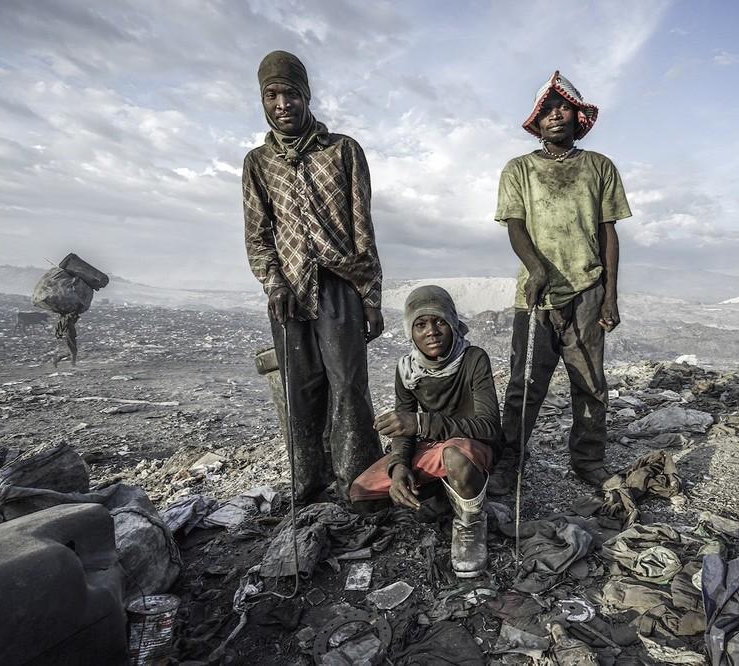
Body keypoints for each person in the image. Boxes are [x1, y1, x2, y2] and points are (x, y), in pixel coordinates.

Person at [243, 50, 383, 501]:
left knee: (348, 386)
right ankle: (309, 482)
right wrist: (273, 281)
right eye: (272, 95)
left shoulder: (343, 150)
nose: (282, 103)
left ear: (306, 96)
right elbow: (257, 232)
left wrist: (371, 295)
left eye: (290, 93)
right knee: (300, 390)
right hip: (288, 293)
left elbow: (363, 226)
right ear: (263, 101)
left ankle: (358, 482)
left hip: (340, 283)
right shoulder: (258, 162)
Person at [489, 70, 632, 496]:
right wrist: (536, 269)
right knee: (525, 384)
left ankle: (588, 460)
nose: (555, 116)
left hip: (587, 290)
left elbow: (609, 232)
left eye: (562, 108)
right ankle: (511, 458)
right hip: (536, 294)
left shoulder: (599, 167)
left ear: (577, 116)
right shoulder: (519, 170)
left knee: (589, 381)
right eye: (546, 110)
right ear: (536, 121)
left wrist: (610, 294)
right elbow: (515, 225)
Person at [350, 286, 500, 578]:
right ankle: (444, 494)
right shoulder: (406, 370)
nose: (431, 331)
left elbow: (490, 426)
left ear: (453, 324)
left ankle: (471, 521)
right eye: (421, 324)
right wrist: (398, 468)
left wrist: (420, 423)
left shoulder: (473, 359)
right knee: (361, 495)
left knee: (456, 457)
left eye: (439, 321)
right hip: (431, 449)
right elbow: (403, 434)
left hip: (469, 447)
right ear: (411, 332)